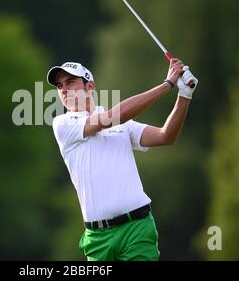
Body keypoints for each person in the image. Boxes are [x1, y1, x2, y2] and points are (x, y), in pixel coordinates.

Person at [46, 59, 198, 261]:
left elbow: (165, 136)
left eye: (70, 81)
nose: (64, 89)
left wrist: (184, 94)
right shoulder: (62, 124)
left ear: (89, 86)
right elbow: (110, 118)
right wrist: (167, 85)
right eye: (59, 86)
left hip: (137, 228)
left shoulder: (124, 125)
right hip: (98, 238)